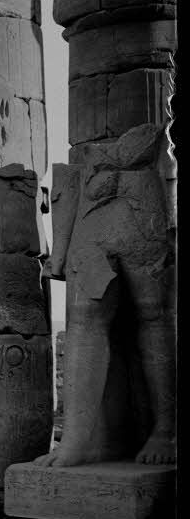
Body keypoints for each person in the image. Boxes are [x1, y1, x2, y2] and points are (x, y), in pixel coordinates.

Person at [37, 122, 176, 467]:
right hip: (93, 207)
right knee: (84, 318)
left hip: (142, 204)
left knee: (153, 313)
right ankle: (77, 440)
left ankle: (166, 430)